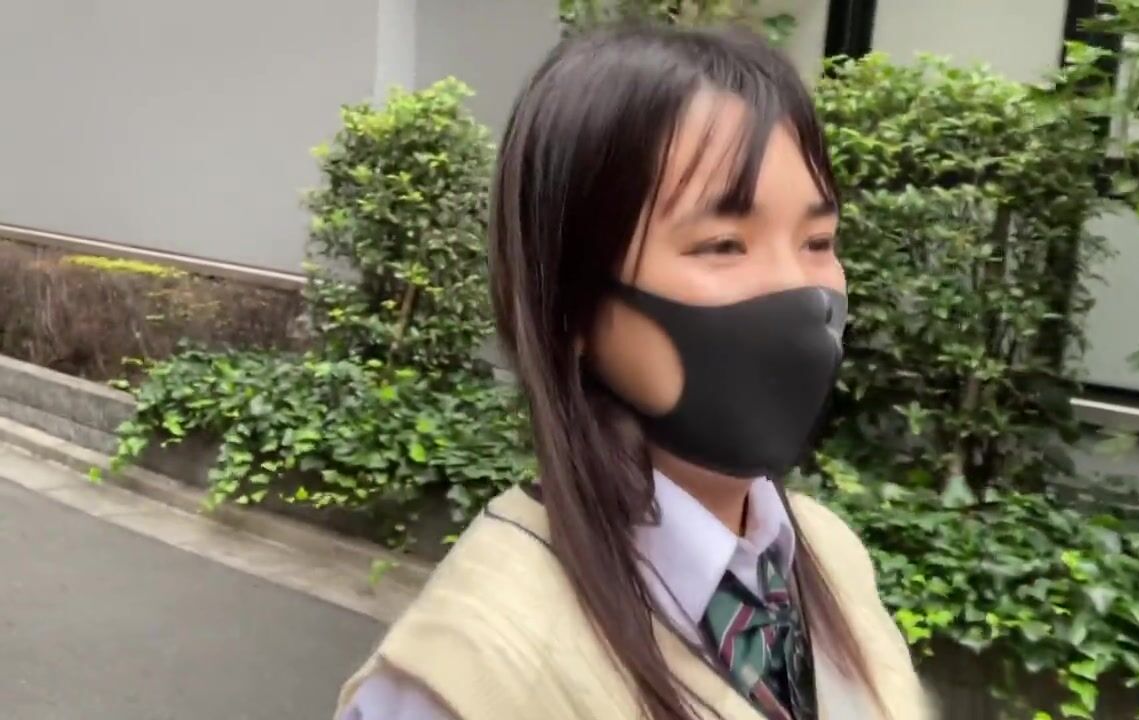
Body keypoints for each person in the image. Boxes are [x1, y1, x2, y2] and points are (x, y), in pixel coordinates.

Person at [335, 23, 929, 720]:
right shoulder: (471, 674)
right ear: (572, 302)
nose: (798, 289)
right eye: (723, 244)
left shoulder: (830, 557)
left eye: (819, 240)